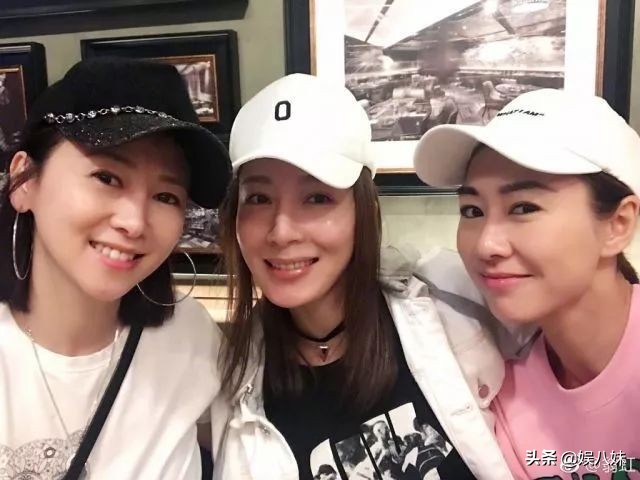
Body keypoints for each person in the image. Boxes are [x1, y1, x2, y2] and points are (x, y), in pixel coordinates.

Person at [210, 73, 518, 479]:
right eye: (259, 198)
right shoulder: (229, 379)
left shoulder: (455, 303)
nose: (281, 232)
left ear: (364, 211)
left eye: (316, 197)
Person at [0, 58, 231, 479]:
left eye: (166, 196)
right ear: (25, 179)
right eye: (107, 177)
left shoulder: (190, 340)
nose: (134, 222)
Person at [412, 88, 640, 479]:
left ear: (617, 225)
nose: (486, 245)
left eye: (523, 207)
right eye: (472, 211)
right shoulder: (499, 388)